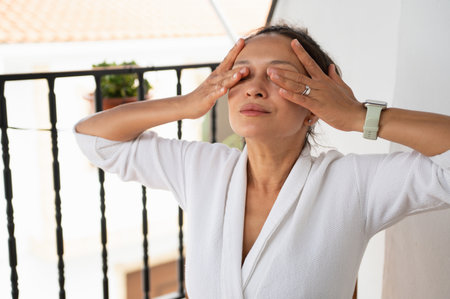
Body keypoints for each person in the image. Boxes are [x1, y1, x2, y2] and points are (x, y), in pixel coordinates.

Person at [74, 25, 450, 299]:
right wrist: (187, 105)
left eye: (278, 76)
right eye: (242, 73)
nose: (253, 87)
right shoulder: (202, 169)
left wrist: (356, 116)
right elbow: (94, 139)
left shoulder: (352, 185)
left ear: (313, 109)